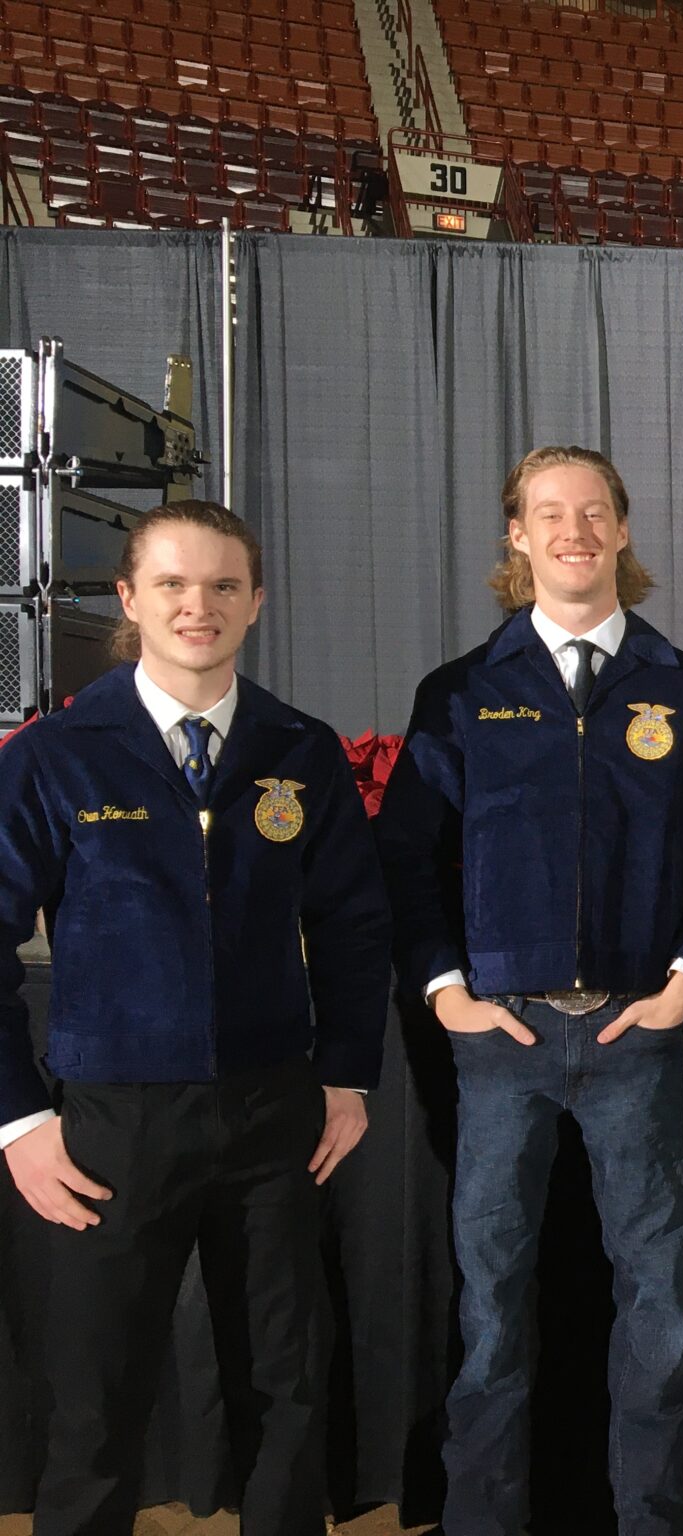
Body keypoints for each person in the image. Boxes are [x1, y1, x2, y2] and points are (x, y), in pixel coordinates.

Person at [376, 445, 683, 1536]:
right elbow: (409, 856)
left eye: (593, 512)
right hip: (504, 1047)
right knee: (490, 1316)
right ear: (517, 537)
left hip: (638, 1040)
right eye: (550, 514)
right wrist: (447, 990)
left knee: (664, 1317)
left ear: (623, 532)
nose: (573, 530)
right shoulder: (460, 694)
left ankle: (652, 1522)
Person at [0, 501, 389, 1536]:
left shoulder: (297, 750)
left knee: (287, 1390)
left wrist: (348, 1076)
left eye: (222, 585)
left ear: (256, 602)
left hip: (272, 1120)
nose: (197, 606)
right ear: (129, 600)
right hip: (111, 1123)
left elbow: (354, 926)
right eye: (172, 584)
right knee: (97, 1397)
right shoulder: (57, 756)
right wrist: (18, 1120)